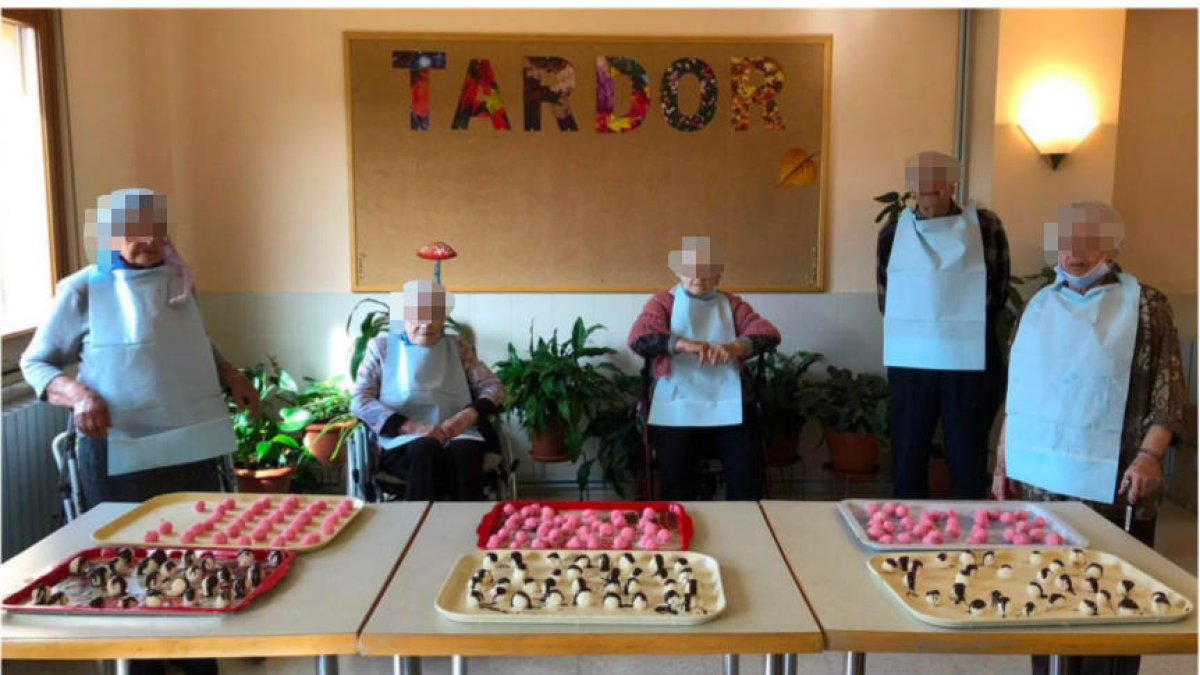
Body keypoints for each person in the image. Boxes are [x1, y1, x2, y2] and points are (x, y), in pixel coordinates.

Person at [20, 188, 258, 675]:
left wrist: (230, 374)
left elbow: (191, 345)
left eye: (153, 227)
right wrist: (80, 396)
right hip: (118, 452)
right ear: (108, 234)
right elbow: (35, 363)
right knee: (130, 566)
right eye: (130, 229)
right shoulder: (82, 288)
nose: (144, 238)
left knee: (199, 559)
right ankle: (142, 666)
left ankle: (198, 663)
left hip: (188, 446)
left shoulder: (180, 282)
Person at [993, 201, 1187, 675]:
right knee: (1046, 595)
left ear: (1112, 246)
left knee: (1112, 599)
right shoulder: (1038, 305)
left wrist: (1148, 457)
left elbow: (1168, 394)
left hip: (1116, 484)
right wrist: (1002, 464)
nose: (1074, 253)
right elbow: (1019, 394)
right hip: (1042, 484)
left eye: (1088, 242)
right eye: (1065, 241)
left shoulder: (1146, 306)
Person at [877, 151, 1010, 498]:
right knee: (908, 450)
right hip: (910, 358)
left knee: (967, 450)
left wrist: (956, 329)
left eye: (934, 192)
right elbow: (885, 297)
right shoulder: (893, 232)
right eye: (920, 194)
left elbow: (998, 291)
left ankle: (971, 534)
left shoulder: (985, 226)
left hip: (969, 357)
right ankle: (906, 530)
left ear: (953, 185)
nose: (926, 201)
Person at [628, 236, 781, 501]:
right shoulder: (662, 303)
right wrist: (686, 345)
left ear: (719, 274)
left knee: (747, 476)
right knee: (676, 481)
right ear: (678, 271)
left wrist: (735, 348)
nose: (699, 276)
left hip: (729, 402)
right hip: (676, 403)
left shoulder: (733, 304)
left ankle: (744, 526)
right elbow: (640, 337)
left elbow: (767, 333)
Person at [351, 279, 506, 500]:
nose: (426, 324)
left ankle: (472, 529)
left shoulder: (458, 347)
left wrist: (467, 416)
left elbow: (494, 386)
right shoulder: (382, 348)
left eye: (434, 316)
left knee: (465, 452)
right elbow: (360, 400)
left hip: (458, 434)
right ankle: (421, 527)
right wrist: (411, 427)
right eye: (417, 316)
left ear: (443, 318)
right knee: (425, 449)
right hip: (402, 442)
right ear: (403, 316)